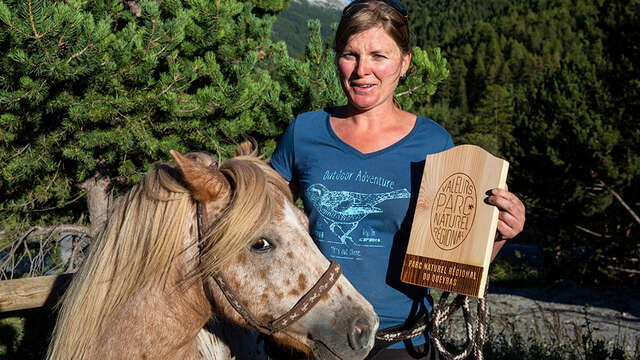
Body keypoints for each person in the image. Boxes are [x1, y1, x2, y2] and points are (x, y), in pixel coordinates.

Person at [270, 0, 526, 358]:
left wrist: (497, 233)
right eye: (350, 55)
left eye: (379, 56)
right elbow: (261, 221)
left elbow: (454, 261)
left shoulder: (433, 144)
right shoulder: (303, 132)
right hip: (312, 336)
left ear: (404, 63)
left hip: (401, 341)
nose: (362, 70)